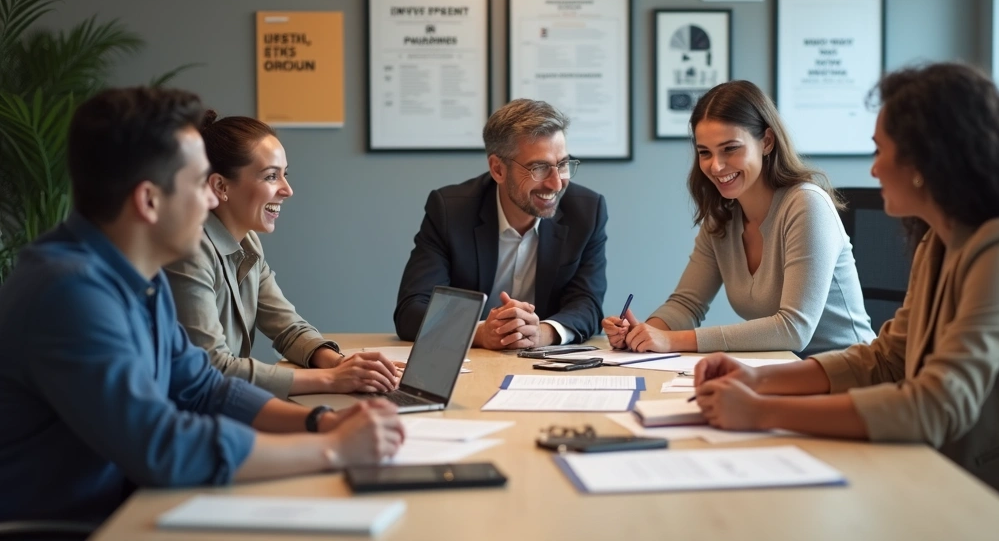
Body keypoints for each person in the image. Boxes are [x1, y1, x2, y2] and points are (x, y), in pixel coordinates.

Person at [692, 63, 999, 539]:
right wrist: (758, 378)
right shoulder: (938, 241)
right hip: (970, 484)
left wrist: (761, 411)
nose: (873, 168)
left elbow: (937, 405)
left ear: (928, 159)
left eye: (881, 151)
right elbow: (886, 358)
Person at [0, 87, 404, 523]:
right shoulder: (70, 294)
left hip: (124, 507)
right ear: (149, 200)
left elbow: (203, 387)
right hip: (67, 525)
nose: (212, 200)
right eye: (198, 183)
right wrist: (333, 449)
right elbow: (161, 446)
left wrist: (322, 422)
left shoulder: (140, 276)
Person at [603, 80, 874, 356]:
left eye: (730, 148)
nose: (716, 166)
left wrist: (671, 340)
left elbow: (794, 329)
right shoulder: (722, 216)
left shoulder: (806, 205)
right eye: (705, 152)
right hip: (779, 369)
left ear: (766, 142)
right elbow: (686, 305)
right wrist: (643, 334)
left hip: (849, 371)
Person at [166, 114, 400, 399]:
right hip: (189, 415)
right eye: (270, 176)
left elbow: (288, 328)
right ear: (220, 187)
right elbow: (213, 367)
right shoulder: (190, 251)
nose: (287, 190)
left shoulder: (248, 243)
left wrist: (340, 363)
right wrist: (331, 379)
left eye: (284, 174)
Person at [394, 98, 607, 349]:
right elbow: (412, 309)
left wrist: (541, 333)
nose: (556, 183)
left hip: (544, 361)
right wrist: (480, 332)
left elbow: (587, 304)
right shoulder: (450, 211)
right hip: (472, 362)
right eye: (539, 168)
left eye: (562, 165)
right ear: (498, 169)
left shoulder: (586, 212)